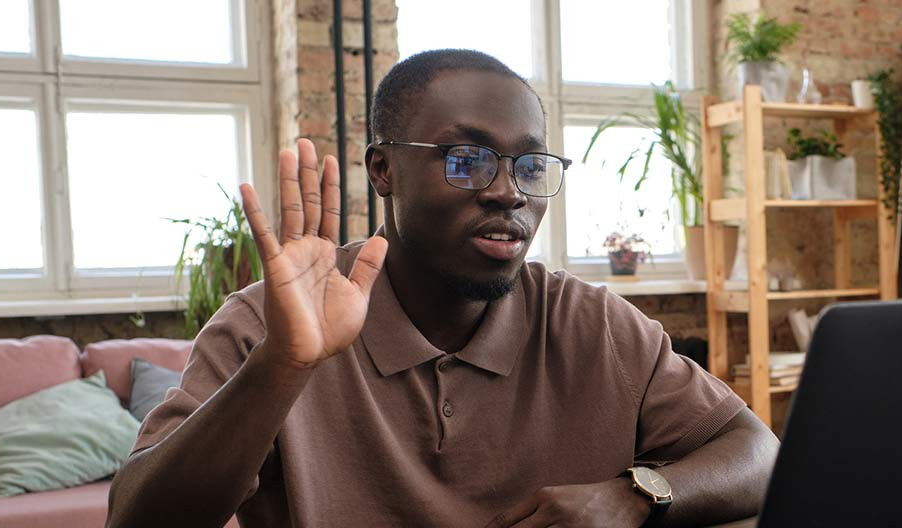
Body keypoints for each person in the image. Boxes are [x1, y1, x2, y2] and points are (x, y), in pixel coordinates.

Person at [107, 49, 779, 527]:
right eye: (467, 160)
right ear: (383, 169)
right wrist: (281, 367)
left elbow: (757, 453)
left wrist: (637, 495)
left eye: (530, 164)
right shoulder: (273, 324)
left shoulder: (591, 323)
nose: (507, 191)